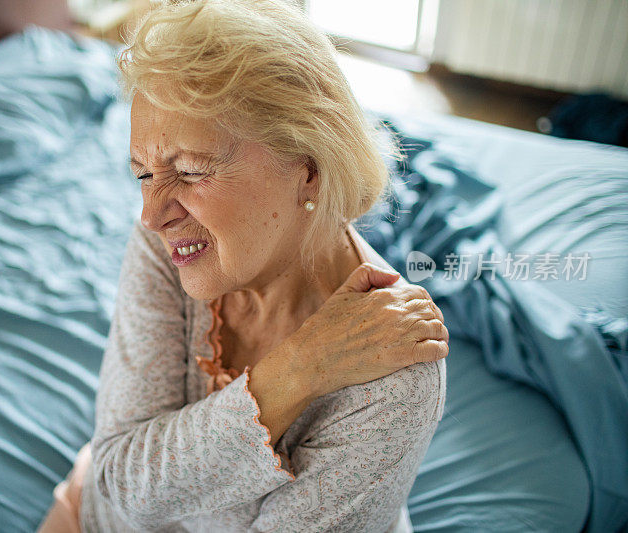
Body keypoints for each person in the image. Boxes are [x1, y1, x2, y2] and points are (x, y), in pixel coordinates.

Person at [38, 0, 448, 531]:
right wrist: (299, 367)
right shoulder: (170, 243)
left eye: (188, 171)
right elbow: (119, 480)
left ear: (308, 171)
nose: (152, 214)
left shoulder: (397, 375)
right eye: (143, 174)